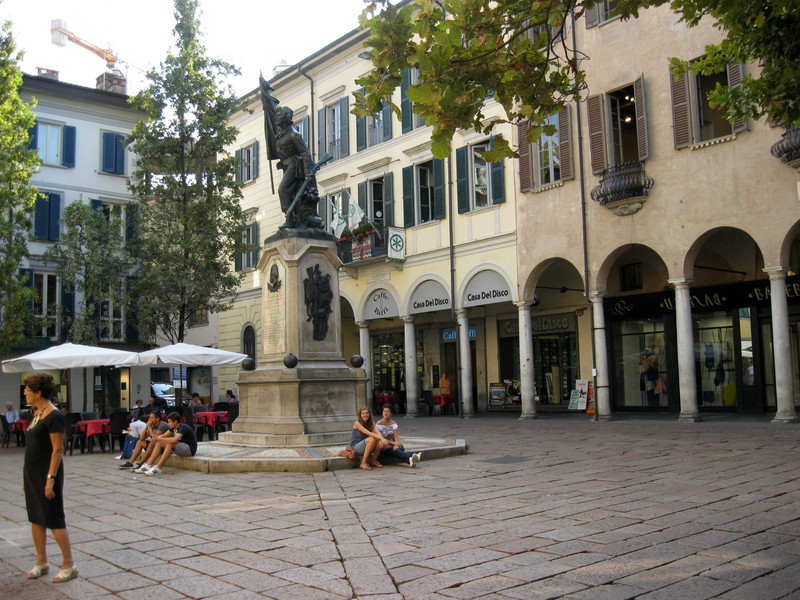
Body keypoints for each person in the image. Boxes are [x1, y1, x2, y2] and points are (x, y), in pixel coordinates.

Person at [21, 372, 77, 583]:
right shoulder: (37, 414)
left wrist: (50, 479)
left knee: (53, 517)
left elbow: (57, 450)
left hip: (47, 473)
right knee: (36, 517)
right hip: (32, 472)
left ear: (38, 393)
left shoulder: (55, 417)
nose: (25, 393)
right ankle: (41, 561)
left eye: (27, 390)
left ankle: (68, 564)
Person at [136, 411, 197, 476]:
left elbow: (174, 440)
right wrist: (156, 438)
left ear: (175, 421)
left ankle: (158, 467)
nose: (168, 424)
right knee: (160, 442)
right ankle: (148, 464)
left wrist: (158, 439)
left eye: (170, 422)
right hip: (181, 447)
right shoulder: (173, 428)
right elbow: (163, 435)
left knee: (169, 443)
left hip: (189, 449)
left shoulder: (182, 427)